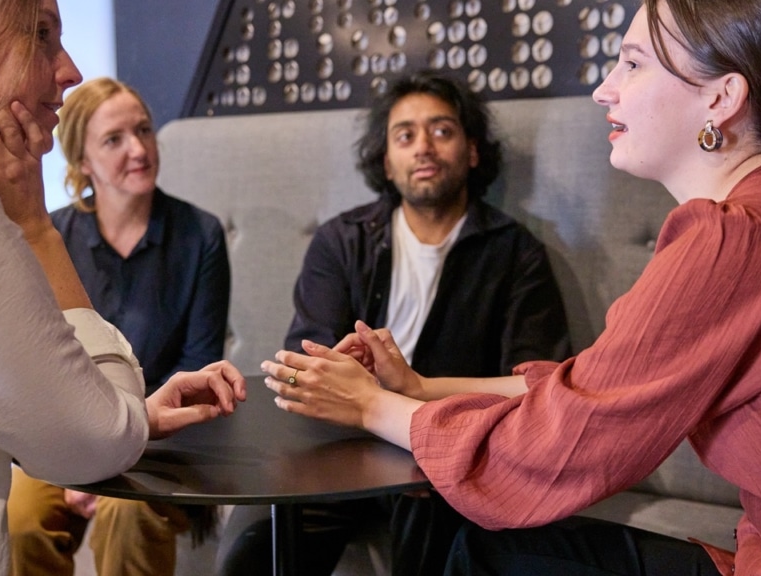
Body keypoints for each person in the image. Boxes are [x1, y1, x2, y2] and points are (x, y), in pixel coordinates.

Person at [259, 0, 761, 574]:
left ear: (721, 97)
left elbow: (554, 447)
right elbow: (600, 380)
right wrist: (423, 389)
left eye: (632, 64)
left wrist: (374, 407)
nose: (603, 90)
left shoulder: (735, 238)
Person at [0, 1, 246, 575]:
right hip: (74, 443)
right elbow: (92, 442)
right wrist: (33, 228)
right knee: (29, 513)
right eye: (41, 33)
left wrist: (130, 421)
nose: (71, 70)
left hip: (113, 434)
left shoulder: (197, 233)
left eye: (143, 131)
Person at [217, 71, 569, 576]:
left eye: (442, 131)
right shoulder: (342, 241)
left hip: (446, 454)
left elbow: (539, 390)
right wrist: (332, 365)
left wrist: (427, 425)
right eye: (405, 135)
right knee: (254, 546)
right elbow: (296, 368)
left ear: (472, 151)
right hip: (340, 447)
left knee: (433, 522)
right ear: (386, 160)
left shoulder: (517, 255)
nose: (423, 147)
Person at [7, 77, 231, 576]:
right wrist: (81, 457)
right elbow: (38, 364)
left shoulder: (200, 235)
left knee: (125, 509)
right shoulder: (53, 238)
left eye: (145, 130)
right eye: (115, 139)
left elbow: (198, 368)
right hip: (65, 434)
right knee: (21, 519)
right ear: (82, 162)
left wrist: (111, 454)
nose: (139, 148)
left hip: (164, 440)